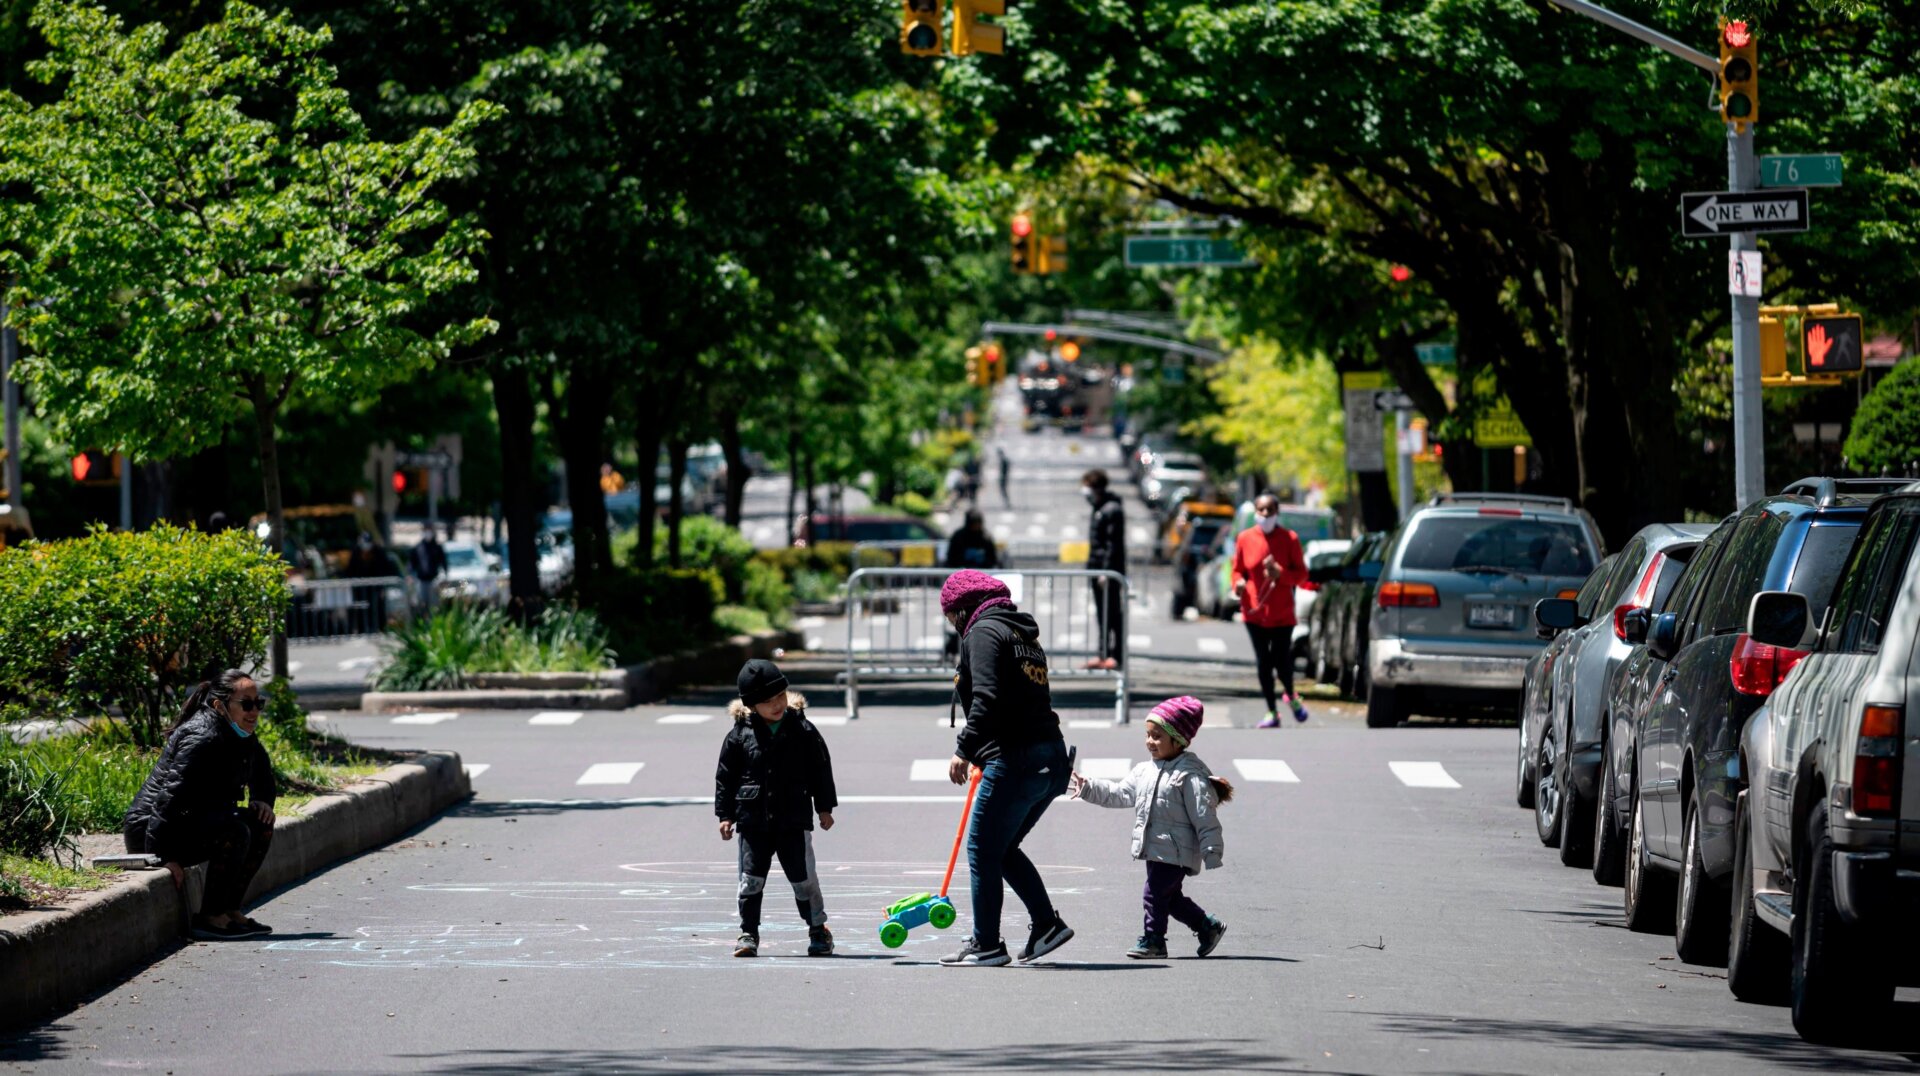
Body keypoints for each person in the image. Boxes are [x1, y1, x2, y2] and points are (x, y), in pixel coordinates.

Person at [938, 569, 1075, 967]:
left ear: (963, 610)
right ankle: (1046, 925)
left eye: (951, 617)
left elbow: (988, 698)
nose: (952, 625)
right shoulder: (1022, 635)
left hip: (1016, 758)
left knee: (982, 849)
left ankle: (986, 944)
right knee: (1002, 848)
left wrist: (964, 749)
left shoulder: (981, 632)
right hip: (1050, 756)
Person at [1069, 696, 1231, 959]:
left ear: (1178, 740)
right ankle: (1207, 926)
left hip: (1175, 850)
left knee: (1154, 893)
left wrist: (1211, 849)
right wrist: (1089, 787)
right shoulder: (1145, 770)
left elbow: (1204, 815)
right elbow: (1120, 793)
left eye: (1157, 736)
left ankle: (1154, 940)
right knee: (1170, 897)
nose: (1149, 742)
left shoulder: (1190, 775)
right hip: (1154, 847)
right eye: (1148, 735)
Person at [121, 670, 277, 940]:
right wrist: (161, 855)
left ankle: (229, 910)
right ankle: (210, 917)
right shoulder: (203, 737)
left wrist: (261, 800)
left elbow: (262, 772)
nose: (254, 712)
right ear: (220, 705)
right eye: (247, 704)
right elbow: (170, 797)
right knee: (235, 832)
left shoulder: (240, 734)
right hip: (152, 830)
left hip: (191, 821)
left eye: (258, 703)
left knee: (259, 824)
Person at [716, 659, 838, 958]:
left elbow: (820, 769)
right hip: (753, 822)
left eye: (780, 697)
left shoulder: (803, 730)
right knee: (750, 881)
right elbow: (725, 777)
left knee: (803, 879)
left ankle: (818, 930)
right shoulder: (739, 736)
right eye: (767, 701)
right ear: (751, 705)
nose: (777, 705)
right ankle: (748, 933)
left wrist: (824, 808)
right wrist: (725, 815)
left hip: (793, 820)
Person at [1233, 493, 1311, 726]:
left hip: (1281, 613)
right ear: (1255, 512)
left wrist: (1281, 575)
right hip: (1254, 611)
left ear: (1277, 513)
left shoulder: (1290, 539)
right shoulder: (1245, 538)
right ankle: (1271, 711)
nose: (1265, 515)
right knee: (1263, 662)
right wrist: (1237, 583)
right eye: (1261, 510)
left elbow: (1301, 575)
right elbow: (1238, 570)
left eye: (1270, 511)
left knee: (1281, 659)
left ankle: (1291, 694)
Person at [1082, 469, 1127, 670]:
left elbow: (1112, 545)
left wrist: (1105, 572)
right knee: (1102, 614)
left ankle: (1115, 655)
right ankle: (1103, 653)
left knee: (1113, 614)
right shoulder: (1099, 507)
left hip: (1107, 572)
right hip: (1097, 569)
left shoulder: (1112, 510)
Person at [408, 526, 448, 613]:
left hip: (434, 580)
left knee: (434, 604)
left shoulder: (437, 547)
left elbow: (444, 562)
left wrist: (445, 575)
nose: (427, 534)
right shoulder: (418, 547)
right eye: (426, 531)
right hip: (421, 580)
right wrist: (410, 574)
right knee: (421, 603)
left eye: (429, 531)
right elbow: (411, 563)